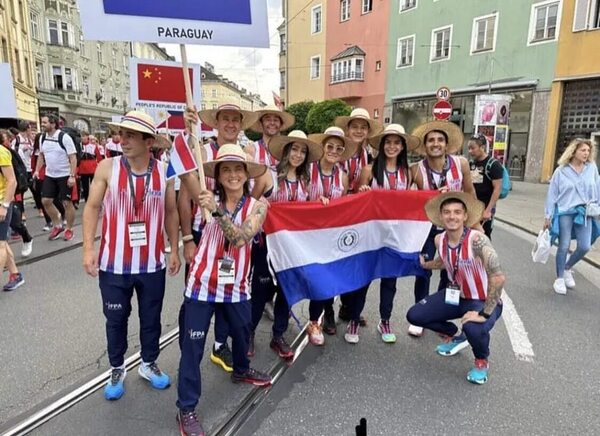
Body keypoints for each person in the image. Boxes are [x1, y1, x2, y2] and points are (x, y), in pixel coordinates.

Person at [82, 111, 180, 401]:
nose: (122, 140)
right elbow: (91, 208)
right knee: (115, 319)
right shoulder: (107, 167)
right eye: (121, 134)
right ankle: (116, 367)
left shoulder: (165, 172)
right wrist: (88, 248)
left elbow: (172, 212)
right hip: (113, 264)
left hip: (152, 264)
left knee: (151, 318)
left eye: (130, 136)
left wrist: (174, 248)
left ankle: (148, 364)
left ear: (149, 141)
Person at [176, 144, 272, 436]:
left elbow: (241, 238)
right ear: (217, 176)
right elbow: (185, 171)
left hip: (237, 287)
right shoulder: (206, 197)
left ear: (246, 174)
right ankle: (186, 408)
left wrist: (216, 211)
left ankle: (241, 370)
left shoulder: (258, 206)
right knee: (192, 348)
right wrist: (183, 130)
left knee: (242, 332)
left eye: (238, 169)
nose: (232, 174)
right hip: (202, 286)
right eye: (225, 169)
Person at [178, 104, 258, 374]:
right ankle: (190, 344)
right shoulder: (202, 152)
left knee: (231, 300)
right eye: (226, 119)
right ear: (216, 122)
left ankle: (221, 345)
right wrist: (188, 238)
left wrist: (249, 206)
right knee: (197, 297)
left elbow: (261, 187)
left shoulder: (247, 153)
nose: (231, 124)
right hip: (205, 236)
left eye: (237, 120)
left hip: (233, 233)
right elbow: (184, 192)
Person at [406, 192, 505, 385]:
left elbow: (498, 277)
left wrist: (484, 314)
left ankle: (481, 360)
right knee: (415, 315)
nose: (452, 216)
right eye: (447, 212)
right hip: (456, 297)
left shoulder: (478, 240)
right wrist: (427, 265)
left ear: (465, 216)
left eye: (457, 212)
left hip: (482, 300)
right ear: (441, 217)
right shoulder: (439, 239)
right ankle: (455, 334)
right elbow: (445, 261)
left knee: (473, 327)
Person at [249, 130, 322, 358]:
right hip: (266, 244)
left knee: (286, 291)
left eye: (302, 151)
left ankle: (278, 335)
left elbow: (309, 212)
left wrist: (322, 203)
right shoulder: (267, 175)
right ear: (285, 151)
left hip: (291, 248)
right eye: (294, 149)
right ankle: (248, 333)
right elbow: (248, 202)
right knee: (261, 291)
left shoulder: (305, 182)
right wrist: (258, 201)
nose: (298, 155)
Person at [408, 120, 475, 337]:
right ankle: (421, 310)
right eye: (430, 140)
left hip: (454, 228)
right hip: (427, 228)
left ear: (446, 145)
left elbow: (469, 193)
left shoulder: (461, 163)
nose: (435, 144)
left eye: (439, 140)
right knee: (423, 269)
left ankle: (441, 315)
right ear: (425, 145)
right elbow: (406, 200)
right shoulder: (416, 170)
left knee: (451, 272)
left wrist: (475, 224)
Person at [356, 124, 420, 343]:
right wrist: (363, 191)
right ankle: (355, 317)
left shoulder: (408, 173)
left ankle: (385, 320)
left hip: (395, 236)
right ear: (382, 146)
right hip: (371, 235)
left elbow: (419, 199)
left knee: (390, 280)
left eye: (396, 142)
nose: (392, 146)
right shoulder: (369, 170)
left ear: (402, 147)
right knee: (363, 278)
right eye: (388, 142)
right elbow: (356, 201)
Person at [304, 126, 355, 344]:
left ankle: (319, 318)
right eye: (330, 146)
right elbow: (298, 201)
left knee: (326, 278)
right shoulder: (307, 171)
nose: (333, 151)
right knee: (313, 279)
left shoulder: (343, 177)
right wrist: (314, 206)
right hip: (308, 234)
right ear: (322, 147)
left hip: (331, 237)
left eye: (338, 148)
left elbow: (343, 206)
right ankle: (284, 323)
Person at [544, 138, 600, 295]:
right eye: (583, 150)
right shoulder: (561, 171)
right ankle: (560, 277)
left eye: (588, 151)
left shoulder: (592, 168)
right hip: (565, 212)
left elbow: (598, 187)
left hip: (585, 212)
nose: (586, 153)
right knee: (564, 245)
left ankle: (568, 267)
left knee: (584, 246)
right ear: (574, 151)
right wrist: (548, 216)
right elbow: (552, 194)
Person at [33, 114, 77, 241]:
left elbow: (73, 157)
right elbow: (41, 155)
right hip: (50, 175)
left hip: (64, 175)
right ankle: (57, 225)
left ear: (53, 124)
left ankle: (69, 229)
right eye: (42, 122)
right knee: (45, 201)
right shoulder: (42, 138)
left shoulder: (64, 137)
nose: (42, 124)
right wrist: (37, 170)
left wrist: (72, 176)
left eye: (45, 122)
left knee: (67, 203)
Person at [0, 131, 25, 290]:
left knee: (0, 244)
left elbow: (12, 181)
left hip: (1, 202)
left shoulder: (1, 152)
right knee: (1, 242)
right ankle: (15, 275)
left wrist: (4, 206)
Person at [467, 134, 504, 238]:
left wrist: (488, 210)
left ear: (482, 147)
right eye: (469, 148)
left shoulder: (494, 165)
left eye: (473, 148)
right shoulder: (471, 164)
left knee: (484, 238)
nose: (470, 151)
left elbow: (497, 189)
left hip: (486, 208)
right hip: (473, 208)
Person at [79, 133, 103, 202]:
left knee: (94, 185)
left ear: (87, 137)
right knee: (85, 186)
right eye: (82, 136)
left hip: (93, 168)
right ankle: (87, 200)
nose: (83, 138)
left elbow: (99, 157)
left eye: (84, 136)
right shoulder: (79, 146)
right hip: (83, 169)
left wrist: (100, 167)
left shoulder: (93, 146)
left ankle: (94, 199)